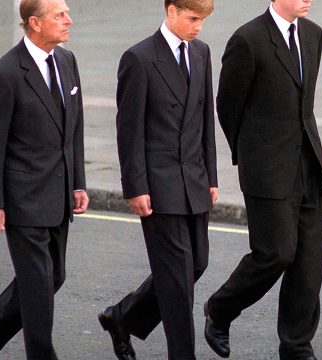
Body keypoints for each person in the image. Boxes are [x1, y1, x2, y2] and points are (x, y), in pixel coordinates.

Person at [203, 1, 322, 359]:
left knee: (309, 263)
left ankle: (296, 345)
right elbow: (228, 105)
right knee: (275, 254)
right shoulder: (248, 39)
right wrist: (250, 154)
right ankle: (220, 309)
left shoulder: (313, 34)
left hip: (308, 163)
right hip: (266, 167)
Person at [0, 0, 88, 359]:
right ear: (34, 23)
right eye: (59, 15)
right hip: (23, 197)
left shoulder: (66, 61)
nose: (69, 20)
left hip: (58, 192)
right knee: (36, 285)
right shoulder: (6, 73)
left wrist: (78, 181)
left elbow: (73, 129)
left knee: (53, 277)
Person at [96, 1, 217, 359]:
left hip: (194, 178)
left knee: (196, 264)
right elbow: (128, 130)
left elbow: (204, 117)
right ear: (171, 10)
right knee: (178, 281)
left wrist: (210, 173)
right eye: (193, 19)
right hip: (158, 183)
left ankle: (122, 317)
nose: (198, 27)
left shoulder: (202, 53)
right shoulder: (139, 58)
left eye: (203, 21)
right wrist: (135, 187)